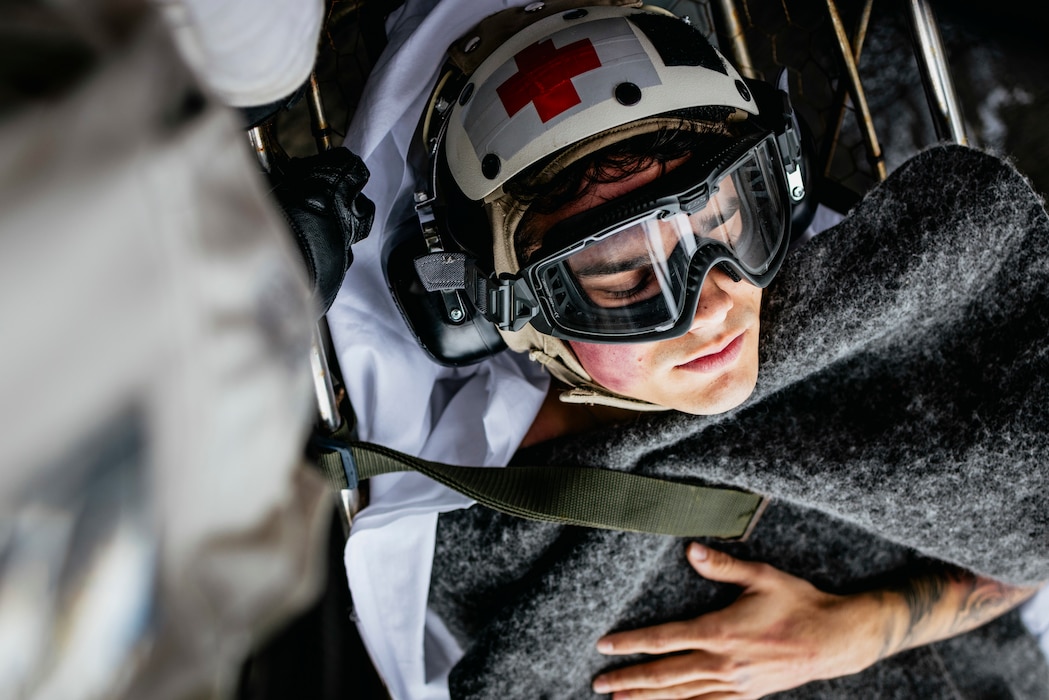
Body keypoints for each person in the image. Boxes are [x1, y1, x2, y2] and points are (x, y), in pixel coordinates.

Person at [327, 1, 1049, 698]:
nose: (711, 307)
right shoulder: (492, 539)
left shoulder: (892, 314)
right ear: (499, 310)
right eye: (622, 275)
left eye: (725, 223)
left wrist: (862, 630)